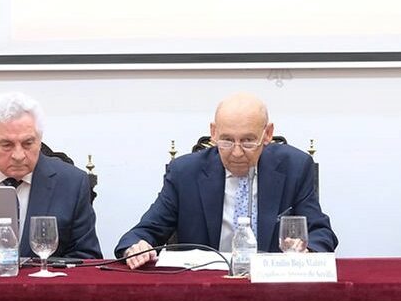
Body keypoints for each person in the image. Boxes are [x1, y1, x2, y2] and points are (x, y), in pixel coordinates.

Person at [116, 92, 337, 268]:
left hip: (271, 288)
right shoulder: (185, 173)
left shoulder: (295, 167)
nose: (237, 152)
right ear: (213, 133)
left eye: (249, 141)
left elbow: (321, 233)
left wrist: (306, 251)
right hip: (203, 290)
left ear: (267, 134)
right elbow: (143, 232)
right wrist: (136, 247)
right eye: (227, 141)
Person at [0, 92, 102, 259]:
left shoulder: (71, 183)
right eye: (7, 145)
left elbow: (87, 257)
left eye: (28, 144)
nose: (18, 155)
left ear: (40, 139)